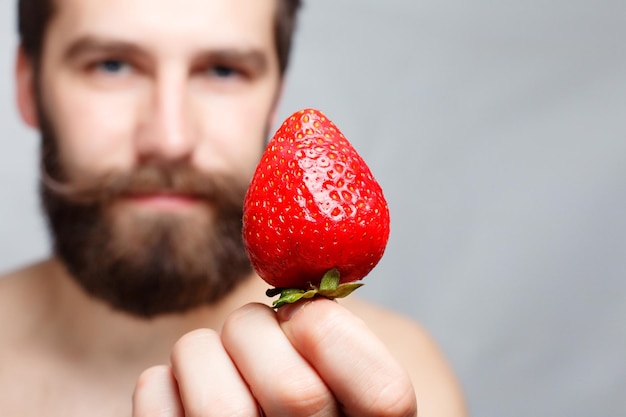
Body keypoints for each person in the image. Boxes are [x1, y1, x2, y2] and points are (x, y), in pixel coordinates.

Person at [0, 0, 468, 415]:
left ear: (274, 98)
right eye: (112, 65)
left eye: (223, 70)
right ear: (28, 86)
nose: (170, 140)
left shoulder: (407, 380)